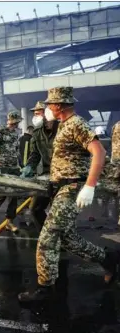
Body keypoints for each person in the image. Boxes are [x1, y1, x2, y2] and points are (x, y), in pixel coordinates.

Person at [18, 87, 120, 302]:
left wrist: (89, 186)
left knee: (48, 237)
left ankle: (44, 287)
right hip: (62, 187)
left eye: (48, 105)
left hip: (72, 188)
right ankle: (108, 259)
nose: (46, 109)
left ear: (58, 105)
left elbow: (99, 152)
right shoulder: (64, 125)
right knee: (67, 238)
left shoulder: (76, 124)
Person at [20, 101, 59, 231]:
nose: (36, 116)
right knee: (35, 209)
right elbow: (35, 154)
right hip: (46, 175)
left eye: (38, 113)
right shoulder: (37, 132)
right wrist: (29, 166)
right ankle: (47, 235)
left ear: (48, 113)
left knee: (58, 212)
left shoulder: (63, 128)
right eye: (34, 114)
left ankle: (60, 239)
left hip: (63, 176)